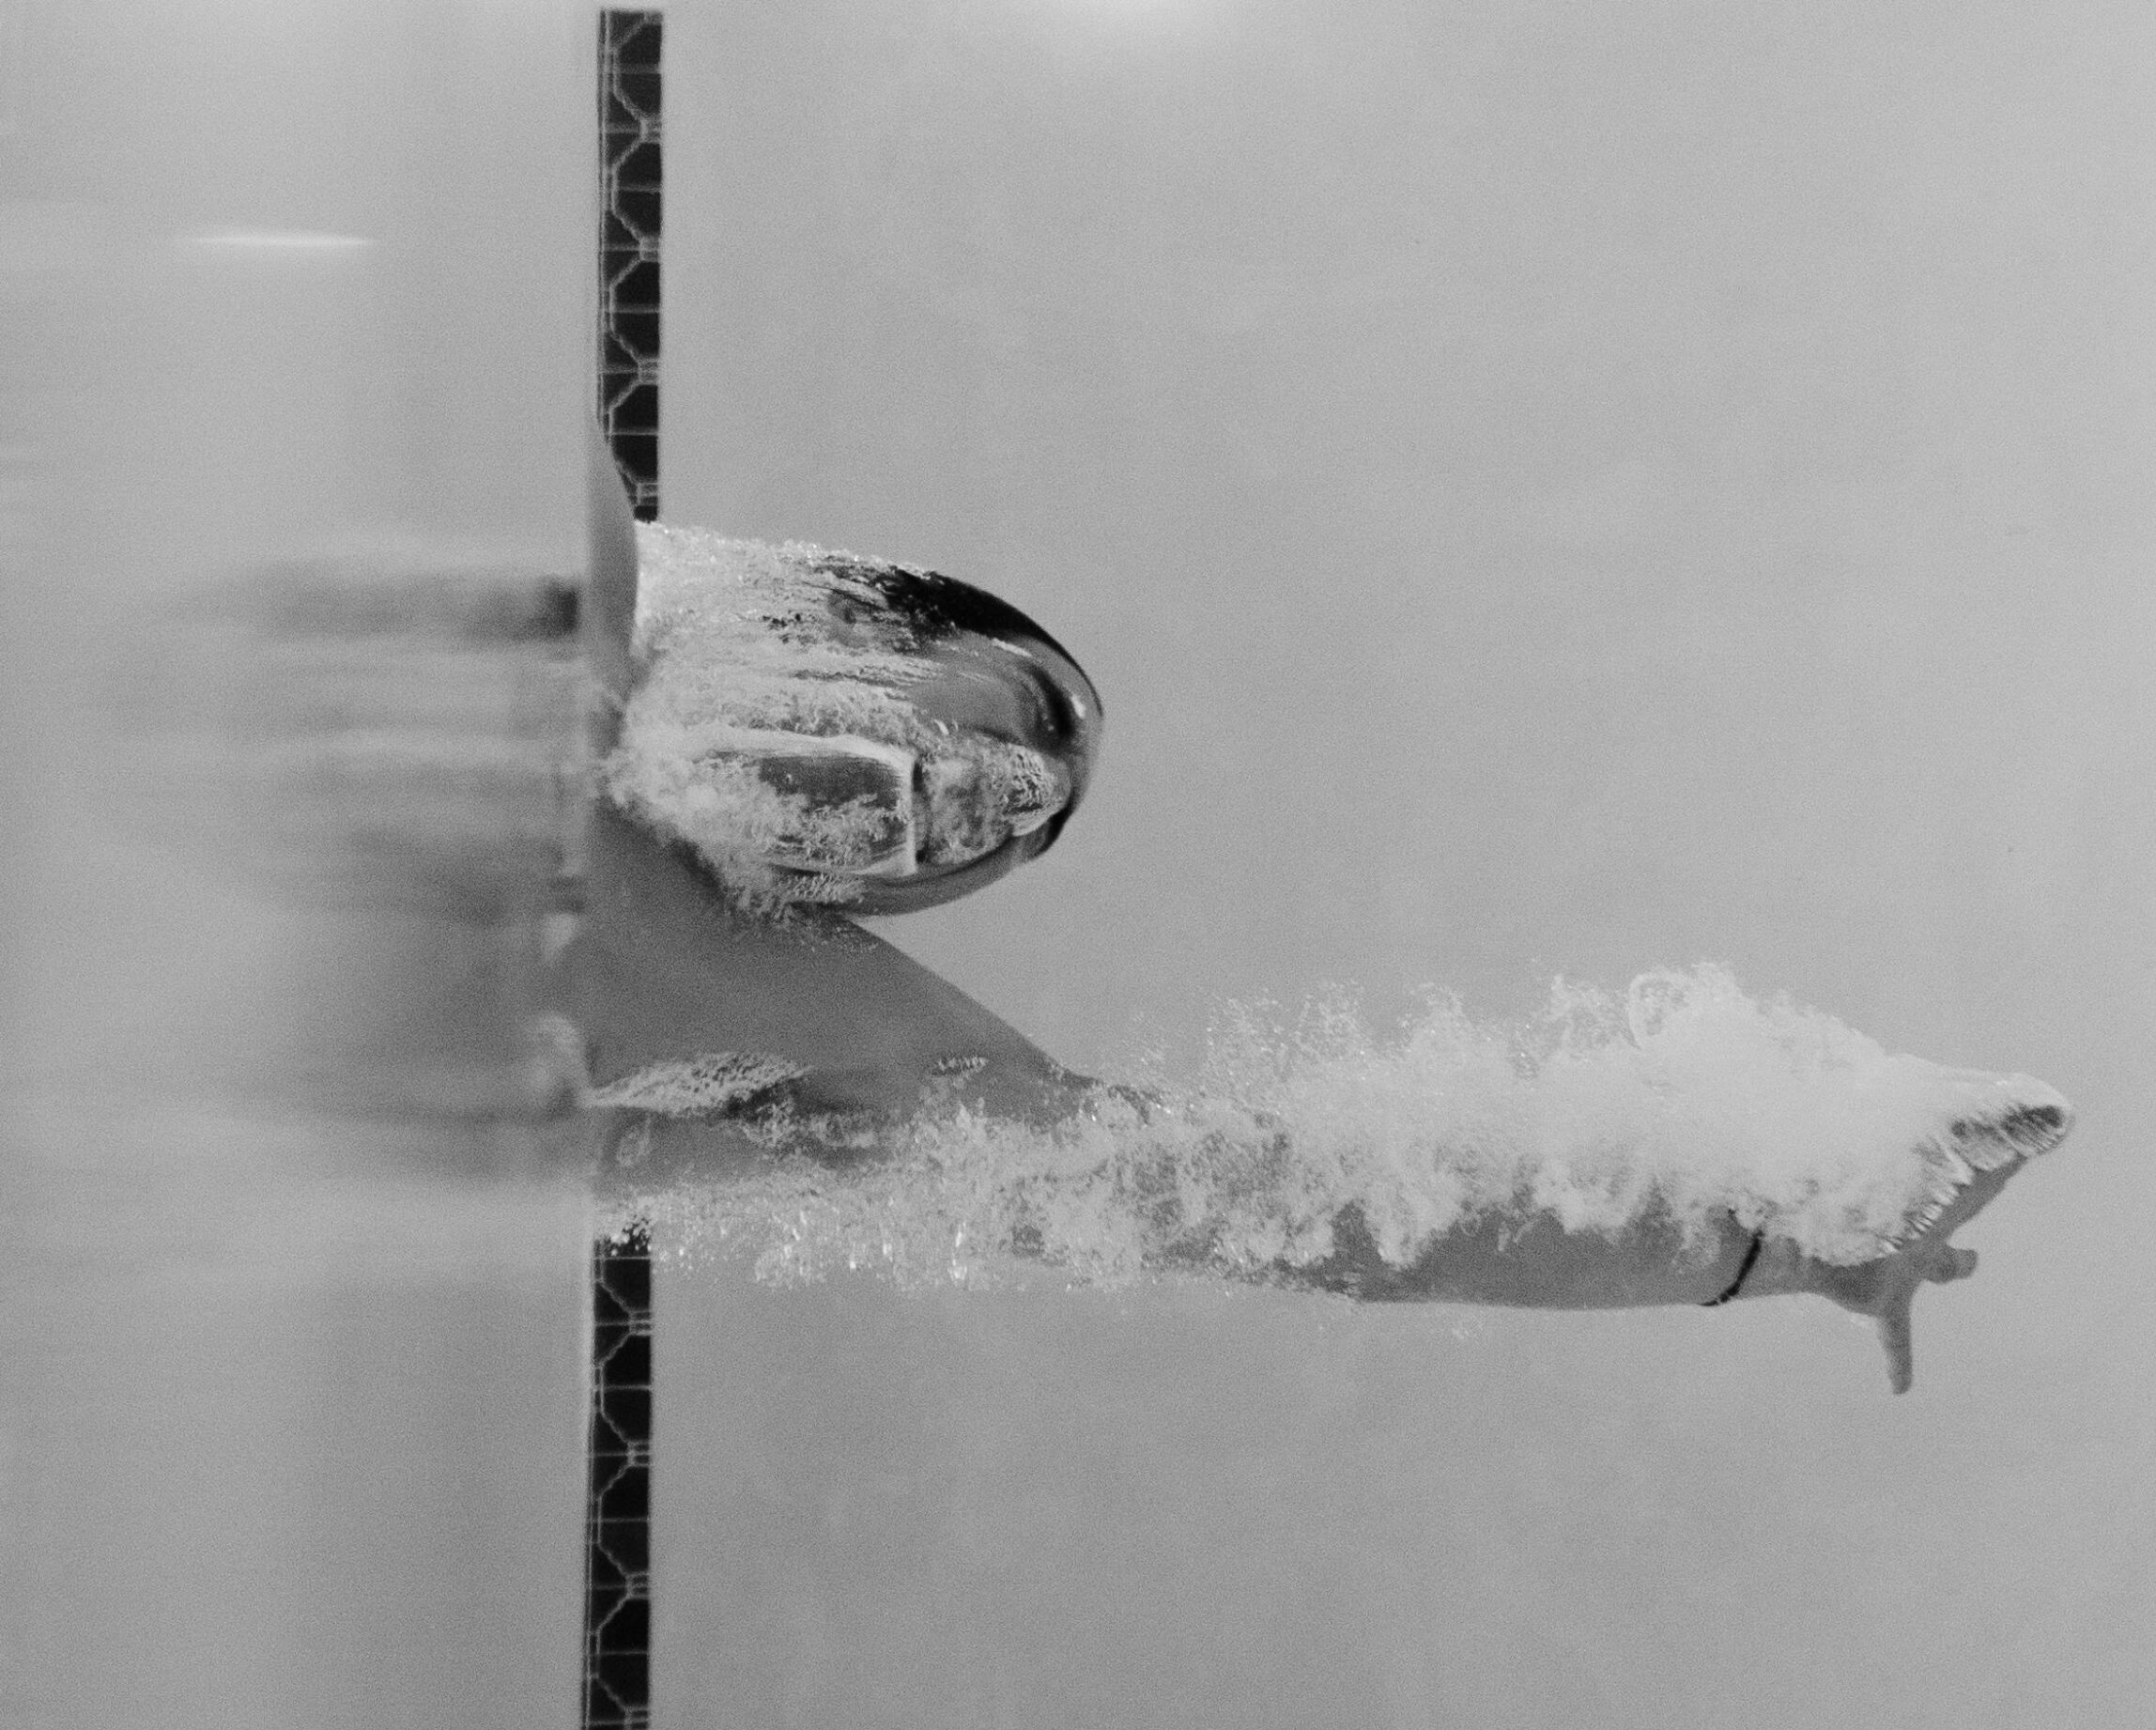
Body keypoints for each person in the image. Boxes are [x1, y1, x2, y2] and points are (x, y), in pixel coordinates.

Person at [563, 437, 2067, 1393]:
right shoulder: (557, 533)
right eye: (957, 725)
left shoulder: (777, 1002)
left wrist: (1777, 1228)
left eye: (968, 828)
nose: (945, 793)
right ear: (818, 619)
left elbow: (1293, 1204)